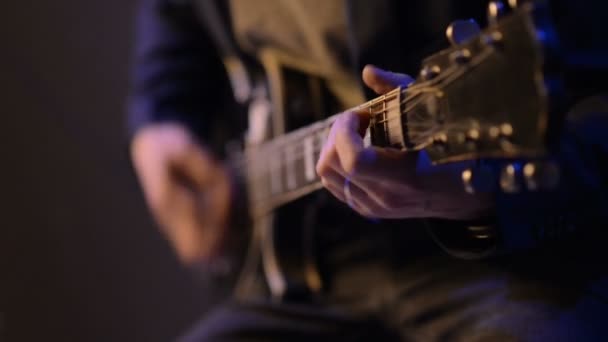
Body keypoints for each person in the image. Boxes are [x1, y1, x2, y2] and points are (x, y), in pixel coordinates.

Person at [128, 0, 608, 340]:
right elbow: (174, 13)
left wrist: (480, 194)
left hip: (501, 261)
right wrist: (156, 122)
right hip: (300, 274)